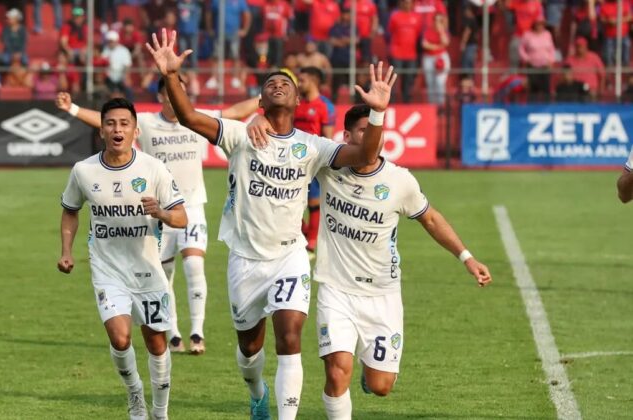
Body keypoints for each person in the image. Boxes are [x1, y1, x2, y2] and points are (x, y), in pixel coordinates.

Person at [146, 28, 396, 419]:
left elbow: (365, 154)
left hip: (289, 257)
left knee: (290, 339)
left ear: (297, 100)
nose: (278, 85)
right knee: (249, 349)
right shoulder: (239, 135)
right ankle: (257, 391)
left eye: (286, 84)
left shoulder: (312, 147)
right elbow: (189, 117)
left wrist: (377, 112)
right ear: (260, 101)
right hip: (245, 259)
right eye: (270, 84)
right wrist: (171, 75)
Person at [55, 77, 260, 355]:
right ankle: (173, 334)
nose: (176, 97)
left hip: (191, 207)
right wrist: (72, 109)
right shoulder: (146, 122)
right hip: (152, 211)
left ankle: (197, 332)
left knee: (194, 265)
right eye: (170, 93)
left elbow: (235, 112)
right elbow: (108, 123)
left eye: (181, 92)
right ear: (161, 96)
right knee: (164, 274)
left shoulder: (197, 119)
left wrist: (265, 100)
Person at [312, 104, 491, 418]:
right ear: (347, 136)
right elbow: (288, 141)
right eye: (364, 130)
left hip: (382, 294)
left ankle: (371, 374)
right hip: (335, 288)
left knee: (380, 386)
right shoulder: (328, 164)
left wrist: (467, 257)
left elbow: (430, 219)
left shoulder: (399, 180)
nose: (373, 136)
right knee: (337, 370)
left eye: (377, 130)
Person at [58, 98, 187, 420]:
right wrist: (66, 251)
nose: (118, 129)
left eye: (124, 123)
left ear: (135, 130)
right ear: (101, 130)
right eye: (111, 123)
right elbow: (70, 211)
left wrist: (161, 213)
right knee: (119, 338)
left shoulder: (153, 168)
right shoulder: (84, 170)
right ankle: (134, 396)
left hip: (147, 270)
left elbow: (182, 218)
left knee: (156, 344)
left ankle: (160, 411)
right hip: (107, 269)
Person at [295, 66, 335, 253]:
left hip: (314, 161)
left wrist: (323, 161)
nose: (298, 84)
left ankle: (311, 242)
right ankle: (304, 231)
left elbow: (328, 137)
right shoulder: (296, 102)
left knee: (313, 203)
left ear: (313, 81)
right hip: (293, 160)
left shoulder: (325, 106)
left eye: (302, 80)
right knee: (289, 200)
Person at [388, 0, 423, 103]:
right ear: (402, 3)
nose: (407, 4)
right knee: (394, 79)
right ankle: (391, 101)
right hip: (396, 53)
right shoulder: (395, 16)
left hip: (411, 54)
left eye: (409, 2)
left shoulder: (417, 17)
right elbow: (390, 32)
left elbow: (418, 34)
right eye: (405, 2)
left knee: (409, 79)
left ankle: (406, 102)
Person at [518, 17, 555, 102]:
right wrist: (527, 59)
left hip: (545, 66)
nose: (540, 26)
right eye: (538, 24)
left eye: (541, 24)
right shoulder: (527, 35)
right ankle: (532, 106)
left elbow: (552, 49)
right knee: (533, 88)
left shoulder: (547, 34)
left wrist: (551, 60)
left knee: (546, 88)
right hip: (532, 66)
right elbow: (521, 48)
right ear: (534, 24)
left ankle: (547, 106)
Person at [421, 12, 450, 105]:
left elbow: (445, 42)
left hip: (441, 57)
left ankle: (441, 104)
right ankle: (432, 105)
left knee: (440, 81)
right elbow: (424, 44)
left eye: (440, 20)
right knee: (430, 82)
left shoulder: (444, 31)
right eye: (436, 20)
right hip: (429, 57)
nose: (437, 22)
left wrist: (440, 31)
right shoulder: (428, 30)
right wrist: (437, 47)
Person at [102, 30, 134, 101]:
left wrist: (126, 77)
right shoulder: (105, 50)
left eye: (112, 41)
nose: (110, 43)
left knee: (128, 91)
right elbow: (103, 64)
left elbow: (127, 65)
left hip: (121, 77)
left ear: (116, 41)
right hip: (109, 78)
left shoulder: (124, 50)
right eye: (109, 41)